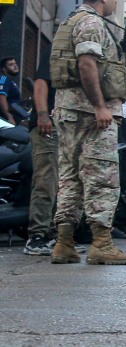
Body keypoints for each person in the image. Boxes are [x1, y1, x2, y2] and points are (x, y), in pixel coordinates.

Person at [47, 0, 126, 266]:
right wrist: (100, 106)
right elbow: (87, 64)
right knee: (102, 177)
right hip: (90, 112)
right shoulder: (91, 22)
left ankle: (64, 242)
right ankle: (101, 243)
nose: (114, 2)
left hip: (68, 110)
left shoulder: (72, 20)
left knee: (70, 177)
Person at [22, 47, 59, 256]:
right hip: (47, 125)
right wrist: (43, 115)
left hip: (63, 125)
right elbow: (41, 82)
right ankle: (36, 237)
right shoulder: (56, 49)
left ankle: (52, 236)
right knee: (46, 179)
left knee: (60, 182)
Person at [0, 56, 26, 125]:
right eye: (11, 65)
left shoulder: (11, 81)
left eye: (15, 63)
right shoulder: (4, 79)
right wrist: (8, 115)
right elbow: (1, 98)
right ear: (4, 69)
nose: (15, 66)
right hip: (6, 120)